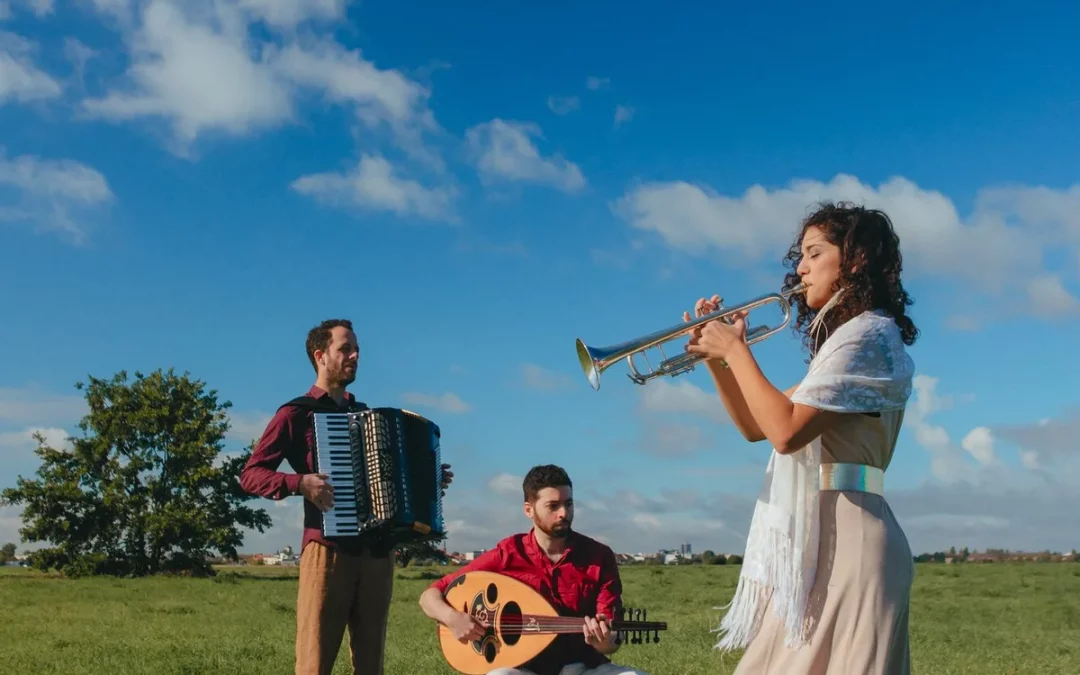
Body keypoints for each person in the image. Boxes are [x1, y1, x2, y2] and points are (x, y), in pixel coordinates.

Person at [683, 202, 918, 675]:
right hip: (818, 536)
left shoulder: (869, 337)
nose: (800, 268)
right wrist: (717, 358)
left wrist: (736, 349)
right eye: (800, 256)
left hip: (851, 538)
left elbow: (785, 432)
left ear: (854, 260)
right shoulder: (846, 346)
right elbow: (757, 427)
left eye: (814, 253)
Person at [239, 318, 454, 675]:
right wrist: (300, 483)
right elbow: (251, 475)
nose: (354, 356)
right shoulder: (296, 413)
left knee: (371, 665)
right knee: (314, 662)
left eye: (356, 350)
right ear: (320, 355)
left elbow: (396, 477)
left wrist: (429, 480)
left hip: (377, 553)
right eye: (345, 349)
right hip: (327, 551)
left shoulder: (366, 415)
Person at [418, 465, 650, 675]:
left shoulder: (599, 557)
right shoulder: (508, 553)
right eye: (553, 506)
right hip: (523, 669)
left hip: (583, 667)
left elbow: (611, 638)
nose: (564, 514)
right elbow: (430, 595)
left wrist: (605, 642)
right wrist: (452, 618)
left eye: (568, 504)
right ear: (529, 510)